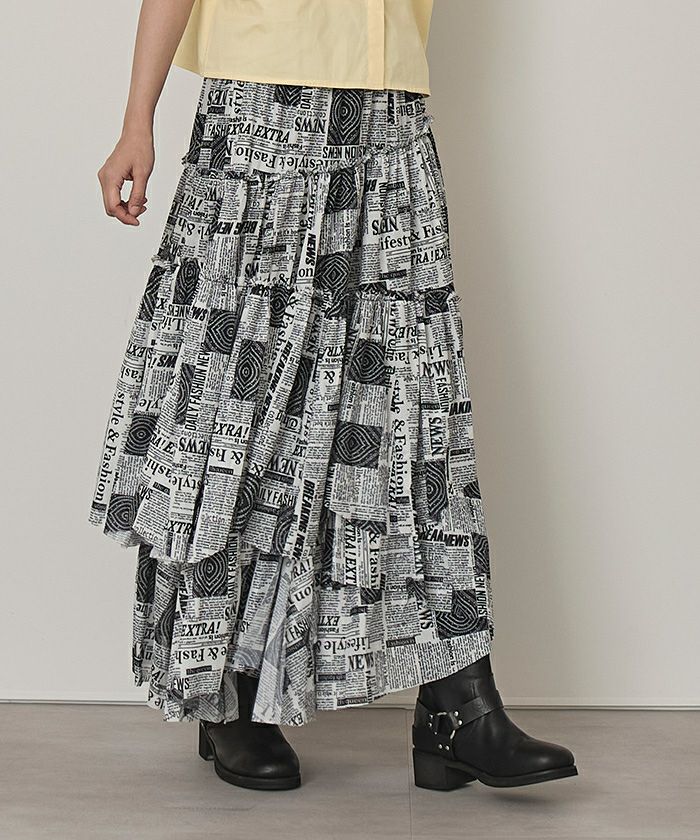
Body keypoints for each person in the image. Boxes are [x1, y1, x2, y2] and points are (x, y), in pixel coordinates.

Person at [89, 0, 578, 792]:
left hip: (390, 107)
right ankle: (230, 689)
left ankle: (458, 704)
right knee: (244, 408)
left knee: (415, 408)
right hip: (263, 106)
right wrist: (136, 121)